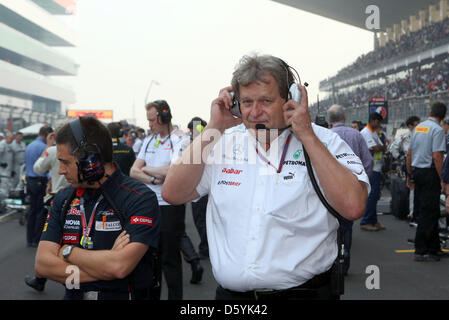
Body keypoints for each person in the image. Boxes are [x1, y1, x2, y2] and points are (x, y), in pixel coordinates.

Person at [162, 54, 369, 300]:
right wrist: (213, 127)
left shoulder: (326, 141)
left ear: (291, 99)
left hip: (305, 294)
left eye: (266, 101)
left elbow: (354, 206)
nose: (255, 112)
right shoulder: (219, 142)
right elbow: (172, 193)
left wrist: (307, 136)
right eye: (247, 102)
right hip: (232, 299)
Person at [35, 116, 160, 300]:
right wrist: (106, 267)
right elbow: (43, 265)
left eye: (66, 162)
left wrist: (68, 252)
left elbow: (119, 267)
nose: (60, 170)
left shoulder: (139, 198)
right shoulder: (63, 198)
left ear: (90, 160)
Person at [130, 100, 186, 300]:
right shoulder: (148, 140)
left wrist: (146, 169)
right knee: (149, 260)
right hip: (148, 206)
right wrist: (154, 177)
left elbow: (173, 171)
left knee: (170, 259)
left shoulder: (181, 139)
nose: (150, 124)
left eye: (152, 120)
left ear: (163, 117)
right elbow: (133, 171)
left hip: (170, 206)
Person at [327, 104, 373, 275]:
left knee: (331, 227)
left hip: (330, 191)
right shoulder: (357, 135)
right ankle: (344, 260)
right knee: (347, 228)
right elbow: (368, 162)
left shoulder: (326, 137)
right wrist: (362, 185)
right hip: (352, 189)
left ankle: (331, 262)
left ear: (329, 120)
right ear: (344, 117)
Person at [24, 130, 70, 292]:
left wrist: (49, 146)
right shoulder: (78, 148)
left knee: (50, 239)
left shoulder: (52, 150)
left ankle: (42, 279)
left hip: (57, 197)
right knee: (70, 239)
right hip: (77, 197)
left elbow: (38, 168)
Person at [407, 102, 447, 262]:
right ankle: (421, 250)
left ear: (430, 111)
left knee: (432, 211)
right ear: (443, 117)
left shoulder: (419, 127)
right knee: (429, 212)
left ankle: (434, 248)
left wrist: (409, 175)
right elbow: (437, 156)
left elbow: (409, 153)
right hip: (430, 172)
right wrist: (443, 179)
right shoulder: (438, 130)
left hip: (418, 171)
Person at [389, 116, 420, 221]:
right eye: (416, 124)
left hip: (421, 163)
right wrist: (399, 157)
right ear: (410, 126)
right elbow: (393, 148)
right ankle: (412, 213)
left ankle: (419, 212)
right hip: (409, 163)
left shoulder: (422, 135)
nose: (418, 126)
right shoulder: (405, 136)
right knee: (412, 188)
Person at [25, 126, 52, 247]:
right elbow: (46, 166)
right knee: (41, 211)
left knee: (32, 210)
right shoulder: (44, 148)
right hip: (40, 180)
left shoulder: (29, 145)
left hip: (30, 180)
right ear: (47, 135)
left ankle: (29, 238)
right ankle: (36, 239)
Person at [186, 117, 209, 259]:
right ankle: (206, 246)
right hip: (198, 190)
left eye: (192, 130)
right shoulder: (192, 144)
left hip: (201, 190)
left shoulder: (202, 144)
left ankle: (205, 248)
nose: (191, 133)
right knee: (201, 221)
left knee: (202, 221)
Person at [360, 112, 387, 231]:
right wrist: (380, 147)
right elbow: (376, 148)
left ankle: (373, 220)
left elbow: (382, 146)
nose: (379, 124)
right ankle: (366, 220)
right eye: (378, 121)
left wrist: (381, 147)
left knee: (375, 196)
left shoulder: (373, 132)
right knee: (372, 195)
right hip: (372, 168)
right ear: (373, 120)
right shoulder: (366, 132)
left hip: (377, 167)